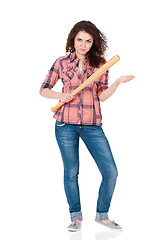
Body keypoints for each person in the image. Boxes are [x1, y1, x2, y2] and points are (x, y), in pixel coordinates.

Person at [39, 20, 134, 232]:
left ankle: (102, 214)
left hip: (92, 125)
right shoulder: (61, 62)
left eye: (88, 41)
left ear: (93, 43)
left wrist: (117, 83)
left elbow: (102, 96)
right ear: (73, 39)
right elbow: (44, 89)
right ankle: (76, 217)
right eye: (80, 39)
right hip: (65, 124)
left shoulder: (100, 65)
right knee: (71, 172)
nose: (83, 44)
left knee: (111, 171)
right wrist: (61, 95)